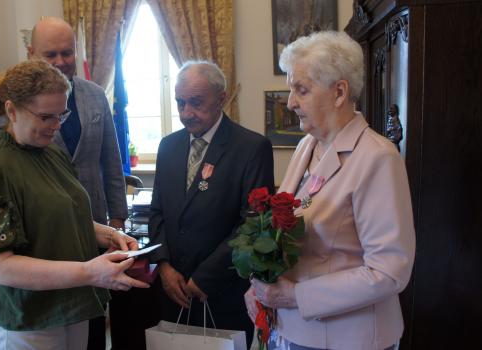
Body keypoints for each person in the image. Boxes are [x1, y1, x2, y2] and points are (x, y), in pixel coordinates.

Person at [0, 60, 148, 350]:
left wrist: (112, 235)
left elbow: (66, 217)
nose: (56, 126)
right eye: (46, 117)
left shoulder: (51, 154)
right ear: (11, 111)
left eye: (62, 115)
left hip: (69, 304)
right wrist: (89, 272)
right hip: (28, 316)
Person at [244, 31, 415, 350]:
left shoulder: (378, 157)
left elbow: (390, 272)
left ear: (339, 92)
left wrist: (295, 296)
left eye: (301, 90)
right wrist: (261, 285)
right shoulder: (307, 146)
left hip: (349, 338)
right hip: (294, 330)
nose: (291, 102)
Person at [0, 18, 128, 348]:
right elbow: (4, 168)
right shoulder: (1, 149)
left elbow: (111, 161)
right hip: (39, 246)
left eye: (68, 53)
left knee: (88, 321)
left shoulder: (95, 96)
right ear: (31, 52)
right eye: (52, 54)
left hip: (88, 226)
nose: (62, 61)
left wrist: (115, 226)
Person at [149, 61, 275, 347]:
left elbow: (252, 223)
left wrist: (206, 277)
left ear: (221, 98)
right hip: (173, 291)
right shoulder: (168, 147)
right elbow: (157, 212)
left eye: (195, 103)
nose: (185, 113)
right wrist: (164, 266)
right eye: (180, 103)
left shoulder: (251, 148)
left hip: (222, 292)